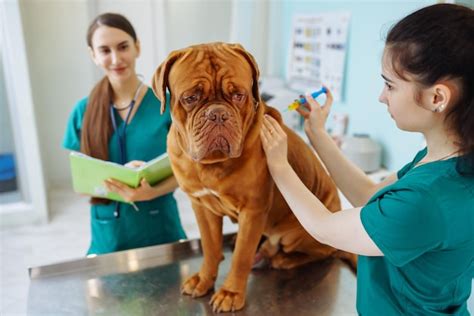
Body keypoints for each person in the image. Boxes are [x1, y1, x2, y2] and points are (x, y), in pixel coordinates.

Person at [260, 4, 473, 315]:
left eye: (390, 85)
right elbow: (370, 198)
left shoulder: (426, 200)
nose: (381, 96)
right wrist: (317, 133)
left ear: (437, 97)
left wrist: (279, 165)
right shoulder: (447, 163)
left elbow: (324, 227)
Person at [63, 13, 186, 255]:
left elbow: (190, 172)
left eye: (123, 47)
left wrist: (152, 191)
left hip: (160, 226)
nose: (116, 58)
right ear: (93, 56)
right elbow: (81, 183)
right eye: (105, 50)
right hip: (109, 235)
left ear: (137, 47)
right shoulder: (82, 111)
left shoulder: (167, 105)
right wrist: (119, 182)